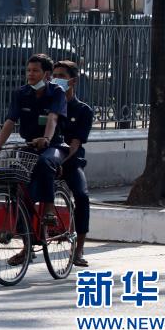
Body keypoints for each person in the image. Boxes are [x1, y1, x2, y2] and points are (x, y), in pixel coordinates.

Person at [0, 53, 67, 265]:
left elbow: (53, 118)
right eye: (28, 70)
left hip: (53, 146)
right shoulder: (21, 93)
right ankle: (27, 246)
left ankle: (49, 209)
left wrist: (46, 139)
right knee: (18, 192)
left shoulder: (56, 92)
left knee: (45, 162)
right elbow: (10, 121)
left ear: (46, 74)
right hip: (29, 146)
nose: (30, 74)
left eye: (35, 71)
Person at [52, 60, 93, 267]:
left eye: (62, 76)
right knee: (23, 192)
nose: (56, 79)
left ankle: (78, 250)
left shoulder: (83, 110)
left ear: (73, 81)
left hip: (70, 160)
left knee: (82, 196)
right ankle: (26, 246)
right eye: (54, 75)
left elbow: (75, 144)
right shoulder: (48, 105)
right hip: (49, 157)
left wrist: (63, 163)